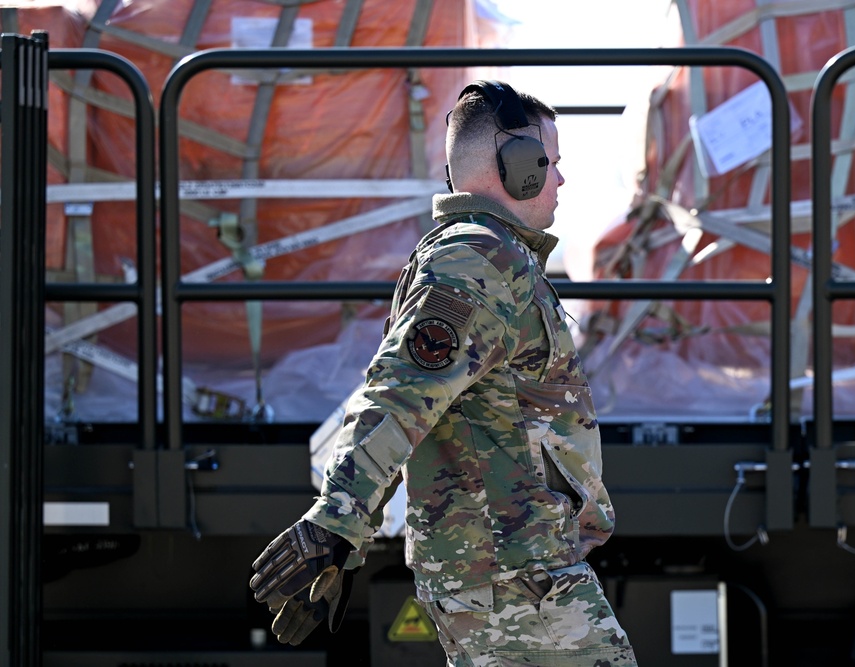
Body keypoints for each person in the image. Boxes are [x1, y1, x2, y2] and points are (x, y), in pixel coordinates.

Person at [249, 80, 637, 666]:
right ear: (517, 168)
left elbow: (424, 404)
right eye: (550, 163)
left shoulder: (486, 257)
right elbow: (401, 396)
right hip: (515, 578)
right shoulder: (474, 262)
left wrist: (348, 537)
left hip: (509, 572)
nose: (560, 179)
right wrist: (336, 525)